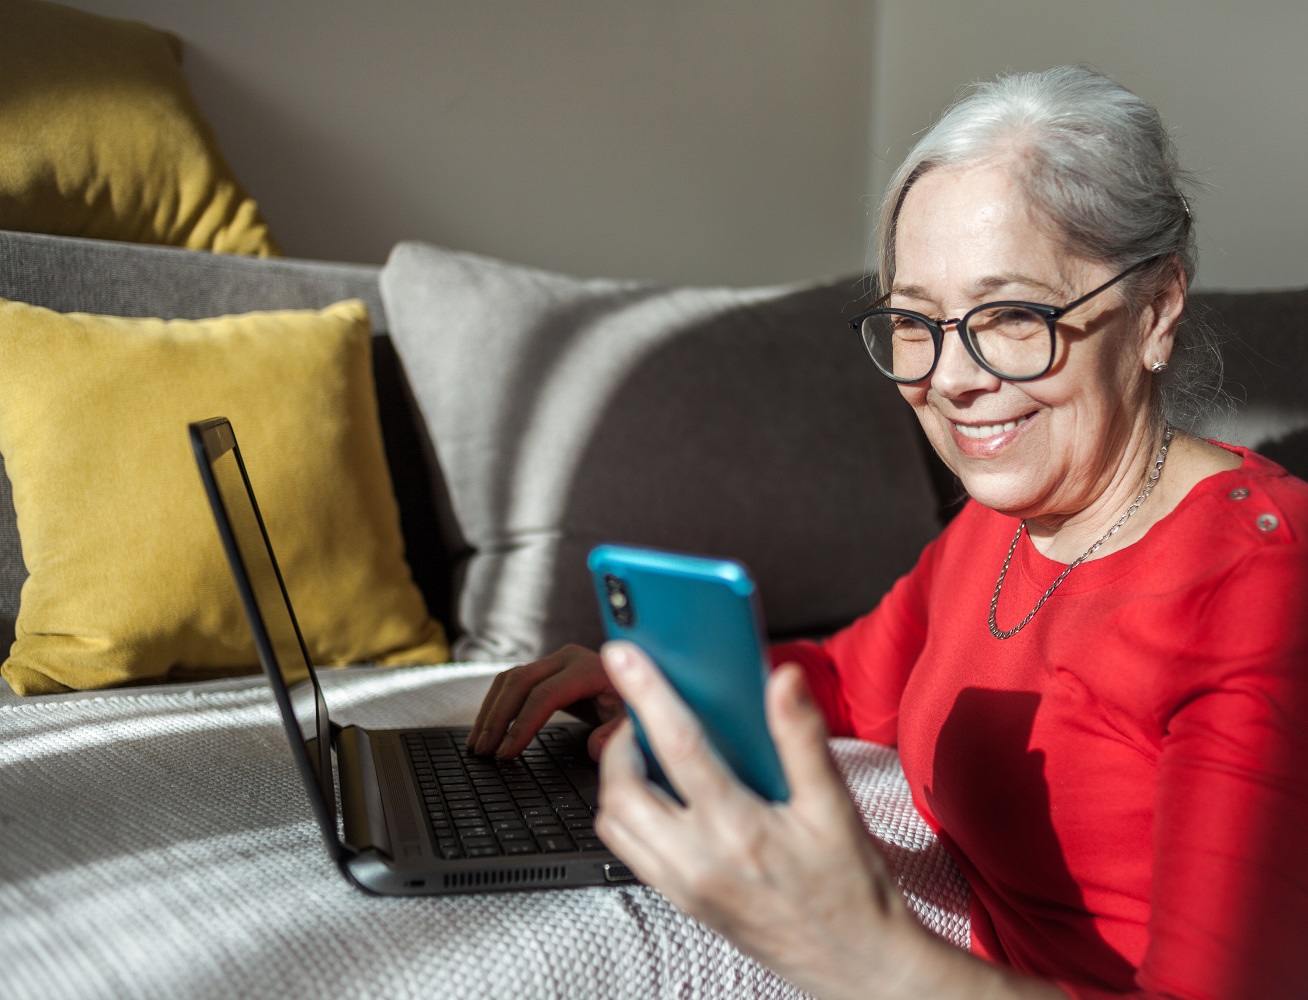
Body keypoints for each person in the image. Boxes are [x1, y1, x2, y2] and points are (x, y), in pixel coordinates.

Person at [466, 65, 1308, 999]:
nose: (949, 378)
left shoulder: (1255, 589)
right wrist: (660, 682)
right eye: (916, 321)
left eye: (1011, 315)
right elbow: (845, 679)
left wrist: (863, 954)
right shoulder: (1001, 527)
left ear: (1154, 311)